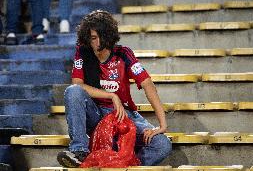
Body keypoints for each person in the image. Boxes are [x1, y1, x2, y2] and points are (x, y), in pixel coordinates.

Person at [57, 10, 172, 168]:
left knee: (162, 145)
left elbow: (147, 84)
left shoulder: (124, 53)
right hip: (96, 115)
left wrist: (162, 125)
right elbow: (78, 84)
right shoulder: (82, 52)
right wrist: (112, 96)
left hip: (123, 116)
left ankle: (124, 165)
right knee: (73, 91)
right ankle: (79, 151)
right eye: (93, 38)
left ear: (109, 36)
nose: (97, 43)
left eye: (100, 37)